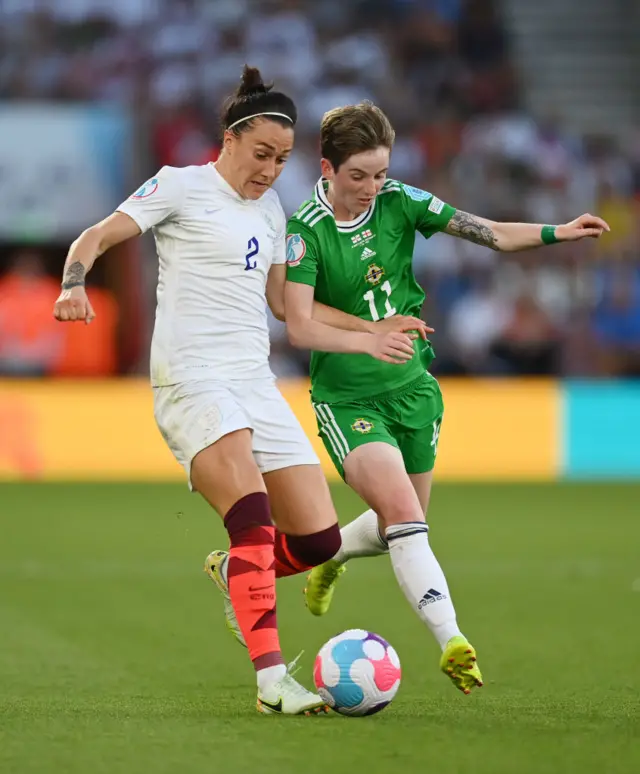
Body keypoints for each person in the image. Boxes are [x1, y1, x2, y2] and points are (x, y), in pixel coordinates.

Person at [52, 69, 427, 716]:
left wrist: (371, 329)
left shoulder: (272, 209)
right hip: (193, 380)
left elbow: (289, 308)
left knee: (318, 543)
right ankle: (272, 681)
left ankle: (235, 574)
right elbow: (96, 237)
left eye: (282, 160)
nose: (271, 170)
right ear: (229, 139)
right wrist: (74, 282)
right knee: (251, 516)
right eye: (262, 155)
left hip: (255, 381)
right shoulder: (178, 185)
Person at [284, 102, 610, 694]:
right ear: (326, 167)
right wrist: (369, 336)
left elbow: (485, 232)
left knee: (399, 525)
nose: (371, 188)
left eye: (379, 173)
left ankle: (332, 556)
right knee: (407, 519)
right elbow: (299, 325)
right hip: (349, 400)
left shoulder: (401, 201)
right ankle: (451, 639)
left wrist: (556, 232)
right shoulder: (306, 229)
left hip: (413, 392)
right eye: (358, 176)